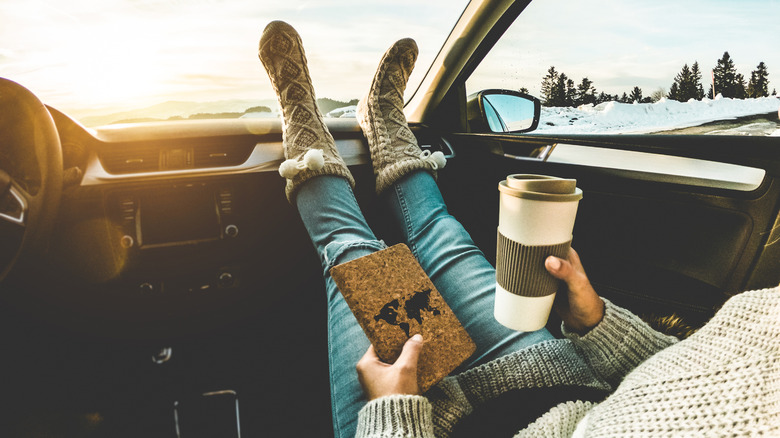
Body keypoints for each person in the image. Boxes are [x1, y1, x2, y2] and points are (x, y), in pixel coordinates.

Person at [258, 21, 780, 438]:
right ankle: (386, 128)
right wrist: (599, 325)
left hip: (426, 418)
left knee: (354, 252)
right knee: (440, 230)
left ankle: (304, 122)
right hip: (546, 369)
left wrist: (395, 415)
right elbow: (683, 373)